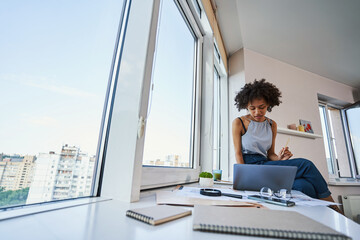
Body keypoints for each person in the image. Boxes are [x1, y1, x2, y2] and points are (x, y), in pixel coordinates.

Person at [232, 79, 342, 213]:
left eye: (262, 107)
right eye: (252, 108)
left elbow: (270, 154)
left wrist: (279, 159)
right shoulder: (239, 123)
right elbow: (238, 153)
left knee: (304, 185)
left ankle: (323, 218)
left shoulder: (272, 125)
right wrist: (244, 179)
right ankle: (334, 207)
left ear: (269, 104)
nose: (257, 112)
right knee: (306, 165)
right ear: (246, 106)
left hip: (266, 166)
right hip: (251, 169)